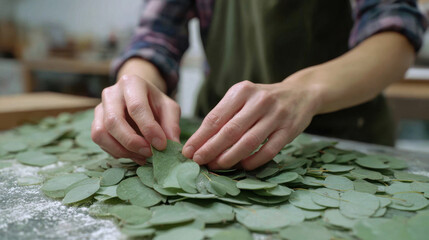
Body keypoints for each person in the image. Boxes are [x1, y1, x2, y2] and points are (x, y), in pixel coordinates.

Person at [91, 0, 427, 170]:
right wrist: (136, 82)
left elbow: (395, 32)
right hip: (217, 137)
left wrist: (305, 92)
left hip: (342, 138)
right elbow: (154, 38)